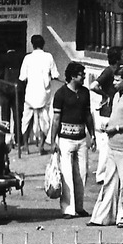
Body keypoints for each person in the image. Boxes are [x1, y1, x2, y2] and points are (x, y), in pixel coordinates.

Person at [91, 66, 123, 228]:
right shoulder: (117, 95)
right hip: (112, 144)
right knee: (109, 182)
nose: (114, 83)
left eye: (117, 80)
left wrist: (117, 128)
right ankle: (102, 217)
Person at [48, 61, 95, 218]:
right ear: (73, 76)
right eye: (82, 74)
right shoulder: (60, 94)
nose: (84, 77)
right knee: (67, 174)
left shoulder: (85, 93)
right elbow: (56, 119)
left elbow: (88, 115)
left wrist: (92, 134)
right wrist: (53, 140)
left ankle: (79, 207)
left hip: (81, 138)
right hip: (65, 139)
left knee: (82, 174)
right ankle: (68, 209)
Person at [19, 34, 59, 154]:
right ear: (43, 44)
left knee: (26, 119)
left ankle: (25, 145)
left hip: (30, 94)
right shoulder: (49, 57)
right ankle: (41, 146)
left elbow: (22, 77)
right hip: (43, 94)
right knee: (44, 120)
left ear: (32, 45)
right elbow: (56, 75)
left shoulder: (28, 58)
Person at [92, 47, 123, 188]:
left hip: (111, 111)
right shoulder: (109, 71)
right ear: (117, 59)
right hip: (106, 112)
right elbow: (94, 86)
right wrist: (106, 96)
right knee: (105, 145)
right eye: (122, 55)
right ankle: (101, 174)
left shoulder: (115, 72)